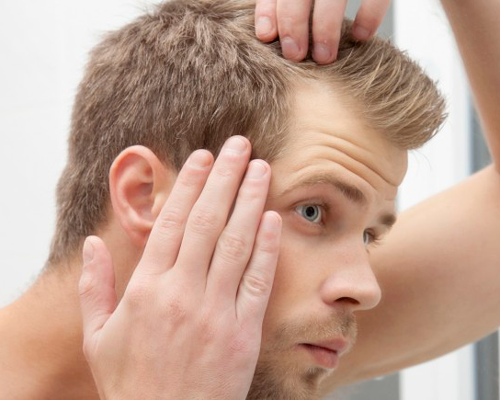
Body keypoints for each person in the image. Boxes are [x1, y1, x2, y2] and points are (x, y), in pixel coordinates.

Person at [1, 1, 499, 400]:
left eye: (369, 235)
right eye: (313, 211)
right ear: (146, 196)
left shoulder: (265, 343)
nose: (365, 289)